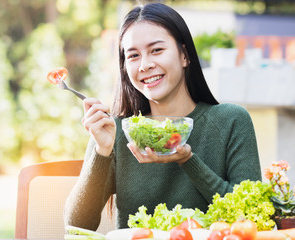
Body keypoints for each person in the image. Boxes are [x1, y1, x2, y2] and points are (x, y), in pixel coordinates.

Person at [64, 2, 261, 230]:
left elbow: (250, 217)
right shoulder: (115, 129)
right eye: (134, 55)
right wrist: (102, 151)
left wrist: (187, 160)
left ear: (185, 55)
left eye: (156, 50)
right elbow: (77, 225)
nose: (145, 65)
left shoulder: (231, 121)